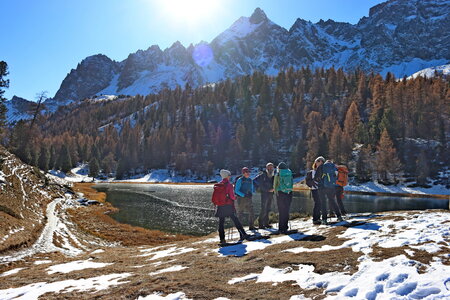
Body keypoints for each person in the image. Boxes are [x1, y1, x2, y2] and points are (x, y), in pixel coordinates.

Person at [212, 169, 248, 244]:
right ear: (227, 176)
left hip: (220, 206)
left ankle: (222, 239)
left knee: (221, 222)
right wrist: (235, 197)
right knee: (235, 219)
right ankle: (243, 234)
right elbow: (232, 196)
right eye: (229, 175)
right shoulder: (229, 185)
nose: (230, 176)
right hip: (228, 205)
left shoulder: (219, 184)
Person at [317, 159, 343, 225]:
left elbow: (316, 177)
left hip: (322, 188)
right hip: (331, 187)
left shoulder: (321, 167)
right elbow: (337, 177)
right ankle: (339, 216)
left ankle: (324, 219)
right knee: (332, 201)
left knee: (323, 203)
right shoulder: (334, 167)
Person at [273, 162, 293, 234]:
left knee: (281, 211)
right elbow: (291, 183)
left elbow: (275, 185)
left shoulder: (278, 174)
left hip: (280, 193)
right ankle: (286, 226)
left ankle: (281, 228)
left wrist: (275, 192)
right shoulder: (290, 173)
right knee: (286, 210)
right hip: (289, 193)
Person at [254, 162, 275, 229]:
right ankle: (260, 224)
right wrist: (267, 190)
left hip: (271, 194)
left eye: (271, 167)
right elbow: (261, 185)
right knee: (263, 209)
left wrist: (273, 189)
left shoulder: (273, 175)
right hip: (264, 194)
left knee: (268, 209)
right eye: (269, 167)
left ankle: (266, 223)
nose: (270, 168)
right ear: (266, 168)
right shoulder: (262, 175)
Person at [308, 156, 325, 225]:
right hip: (314, 189)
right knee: (317, 203)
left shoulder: (324, 171)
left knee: (321, 203)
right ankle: (315, 218)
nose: (319, 162)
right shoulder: (311, 172)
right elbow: (307, 181)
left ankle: (319, 217)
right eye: (318, 161)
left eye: (321, 161)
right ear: (315, 163)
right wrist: (312, 184)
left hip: (322, 189)